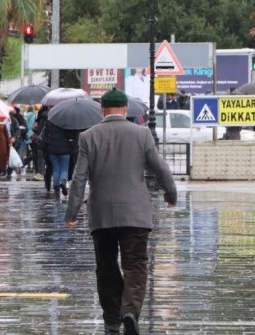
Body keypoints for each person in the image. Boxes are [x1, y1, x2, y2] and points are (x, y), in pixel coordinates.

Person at [64, 88, 177, 335]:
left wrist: (71, 213)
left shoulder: (88, 137)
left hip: (102, 215)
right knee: (135, 264)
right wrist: (171, 194)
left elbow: (79, 178)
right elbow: (161, 168)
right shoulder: (142, 134)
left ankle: (112, 319)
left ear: (102, 109)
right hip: (135, 215)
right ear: (125, 110)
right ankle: (130, 312)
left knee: (106, 267)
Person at [43, 121, 72, 199]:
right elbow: (70, 135)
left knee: (56, 169)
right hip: (65, 148)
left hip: (52, 148)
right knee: (64, 169)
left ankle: (56, 187)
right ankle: (63, 182)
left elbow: (44, 135)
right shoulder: (66, 122)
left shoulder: (49, 122)